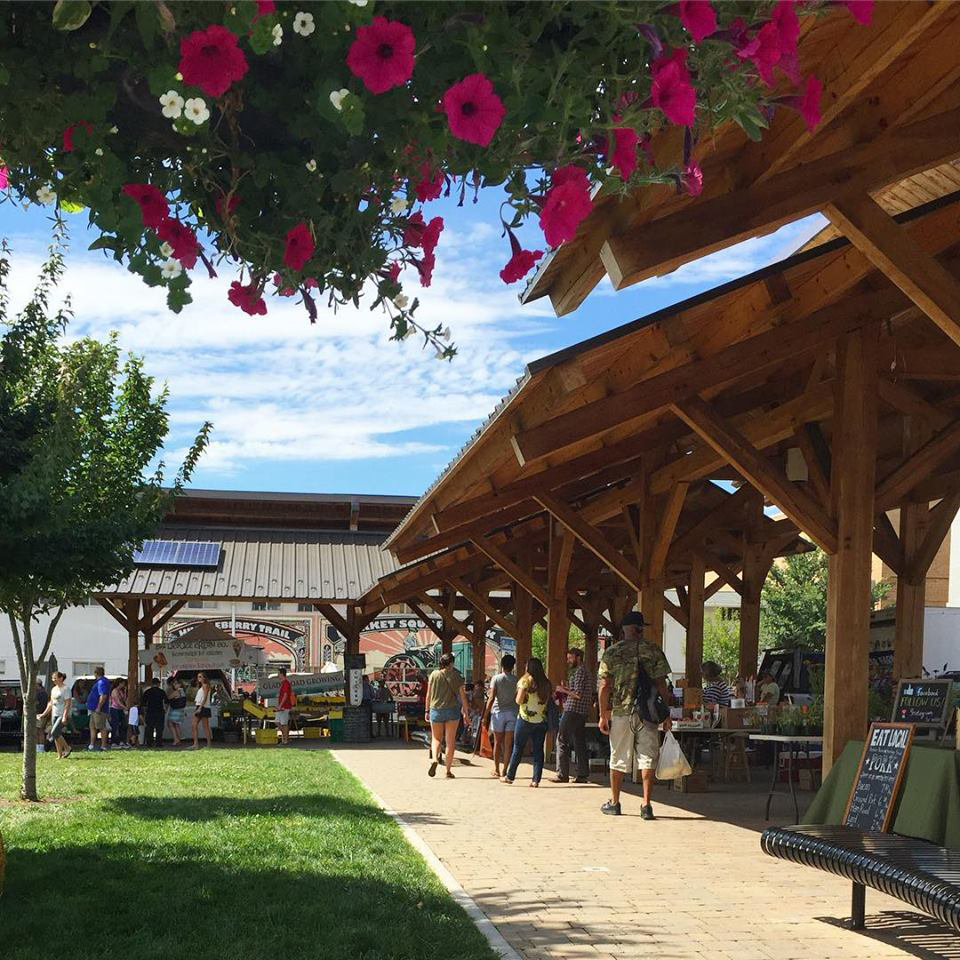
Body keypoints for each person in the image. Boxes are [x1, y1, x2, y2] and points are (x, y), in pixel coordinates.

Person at [597, 611, 672, 819]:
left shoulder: (612, 652)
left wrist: (603, 714)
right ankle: (646, 805)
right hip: (648, 712)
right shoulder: (653, 650)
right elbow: (661, 685)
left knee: (618, 756)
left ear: (624, 629)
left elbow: (604, 686)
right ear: (641, 628)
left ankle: (615, 802)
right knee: (647, 757)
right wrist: (665, 714)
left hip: (621, 711)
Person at [503, 657, 552, 787]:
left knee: (518, 748)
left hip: (525, 719)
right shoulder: (546, 683)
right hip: (541, 720)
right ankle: (536, 780)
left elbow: (518, 700)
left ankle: (510, 776)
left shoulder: (525, 681)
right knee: (538, 750)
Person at [553, 647, 596, 783]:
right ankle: (582, 774)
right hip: (582, 711)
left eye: (570, 658)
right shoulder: (585, 671)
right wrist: (566, 689)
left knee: (561, 739)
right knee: (579, 742)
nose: (568, 661)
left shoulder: (580, 672)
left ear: (578, 657)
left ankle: (562, 774)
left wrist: (562, 690)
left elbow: (577, 694)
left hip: (573, 710)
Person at [425, 652, 470, 779]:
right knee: (450, 742)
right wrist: (466, 714)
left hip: (436, 710)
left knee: (436, 738)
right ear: (451, 663)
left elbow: (428, 694)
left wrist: (426, 711)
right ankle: (448, 771)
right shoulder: (456, 676)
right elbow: (463, 697)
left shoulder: (433, 675)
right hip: (452, 711)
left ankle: (434, 759)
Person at [484, 654, 518, 779]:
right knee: (508, 744)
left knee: (497, 742)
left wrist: (485, 715)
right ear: (513, 666)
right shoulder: (517, 680)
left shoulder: (496, 679)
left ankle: (497, 769)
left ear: (502, 665)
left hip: (498, 713)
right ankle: (505, 770)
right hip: (513, 713)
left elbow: (492, 697)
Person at [38, 672, 72, 759]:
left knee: (54, 732)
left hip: (62, 714)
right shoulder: (53, 689)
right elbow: (51, 703)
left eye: (55, 678)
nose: (53, 680)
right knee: (56, 734)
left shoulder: (66, 689)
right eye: (52, 678)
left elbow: (67, 703)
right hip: (54, 714)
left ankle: (67, 748)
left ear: (61, 678)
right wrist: (43, 714)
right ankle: (59, 754)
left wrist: (65, 716)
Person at [87, 666, 112, 752]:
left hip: (99, 710)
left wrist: (99, 707)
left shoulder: (102, 682)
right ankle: (92, 745)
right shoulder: (99, 682)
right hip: (93, 709)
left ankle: (103, 745)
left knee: (101, 727)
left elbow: (103, 695)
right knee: (92, 726)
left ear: (96, 673)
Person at [141, 677, 168, 747]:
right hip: (160, 711)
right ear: (158, 684)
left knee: (150, 728)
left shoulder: (147, 692)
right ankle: (158, 743)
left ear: (152, 684)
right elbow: (166, 702)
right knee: (159, 728)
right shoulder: (162, 692)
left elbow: (143, 703)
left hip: (150, 712)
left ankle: (149, 743)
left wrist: (144, 712)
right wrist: (165, 709)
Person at [191, 672, 212, 749]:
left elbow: (205, 697)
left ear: (204, 678)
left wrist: (200, 708)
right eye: (198, 677)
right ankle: (195, 744)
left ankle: (208, 744)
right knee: (194, 725)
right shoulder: (201, 686)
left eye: (200, 677)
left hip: (203, 707)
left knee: (205, 726)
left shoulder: (205, 686)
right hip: (200, 706)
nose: (198, 678)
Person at [276, 667, 294, 745]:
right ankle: (285, 737)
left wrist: (280, 705)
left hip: (285, 707)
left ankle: (285, 739)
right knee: (277, 722)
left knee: (284, 723)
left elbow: (286, 695)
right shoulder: (283, 683)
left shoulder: (286, 683)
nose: (278, 675)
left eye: (278, 673)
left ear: (282, 674)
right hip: (281, 707)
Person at [166, 677, 187, 745]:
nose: (174, 685)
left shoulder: (176, 692)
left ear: (179, 685)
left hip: (175, 710)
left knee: (170, 724)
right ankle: (178, 739)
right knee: (177, 725)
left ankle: (176, 739)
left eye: (175, 684)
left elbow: (168, 698)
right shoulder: (183, 691)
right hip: (181, 710)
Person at [109, 679, 129, 749]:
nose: (123, 685)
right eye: (123, 684)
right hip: (114, 709)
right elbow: (117, 701)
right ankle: (113, 742)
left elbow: (124, 699)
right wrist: (125, 707)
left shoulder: (121, 691)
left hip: (120, 710)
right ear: (119, 683)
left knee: (123, 725)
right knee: (115, 725)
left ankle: (122, 741)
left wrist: (125, 691)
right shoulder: (114, 691)